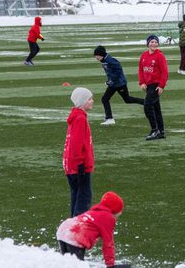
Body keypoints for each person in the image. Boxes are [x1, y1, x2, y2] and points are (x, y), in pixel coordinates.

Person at [56, 192, 130, 267]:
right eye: (118, 213)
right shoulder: (108, 217)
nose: (118, 216)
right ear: (114, 210)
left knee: (67, 264)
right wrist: (110, 265)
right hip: (75, 234)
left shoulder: (95, 212)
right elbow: (108, 243)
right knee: (76, 265)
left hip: (63, 229)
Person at [63, 87, 95, 216]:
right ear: (82, 102)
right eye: (89, 99)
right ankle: (78, 230)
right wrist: (81, 165)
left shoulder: (77, 117)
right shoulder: (80, 119)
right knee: (83, 199)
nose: (92, 101)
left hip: (73, 166)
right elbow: (76, 145)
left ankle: (71, 228)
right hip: (78, 167)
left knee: (77, 196)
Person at [94, 46, 144, 125]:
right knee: (105, 99)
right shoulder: (104, 60)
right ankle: (109, 118)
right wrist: (110, 81)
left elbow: (118, 70)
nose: (96, 57)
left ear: (101, 55)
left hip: (120, 84)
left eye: (97, 55)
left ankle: (147, 102)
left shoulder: (110, 60)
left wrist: (111, 80)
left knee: (127, 100)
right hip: (114, 84)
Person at [138, 35, 169, 140]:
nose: (154, 44)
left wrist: (161, 86)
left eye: (156, 42)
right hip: (148, 86)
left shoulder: (160, 56)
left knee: (147, 106)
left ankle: (154, 130)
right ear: (148, 43)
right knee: (156, 108)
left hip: (156, 85)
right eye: (152, 42)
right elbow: (141, 70)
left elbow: (165, 72)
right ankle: (161, 131)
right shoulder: (144, 55)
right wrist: (142, 82)